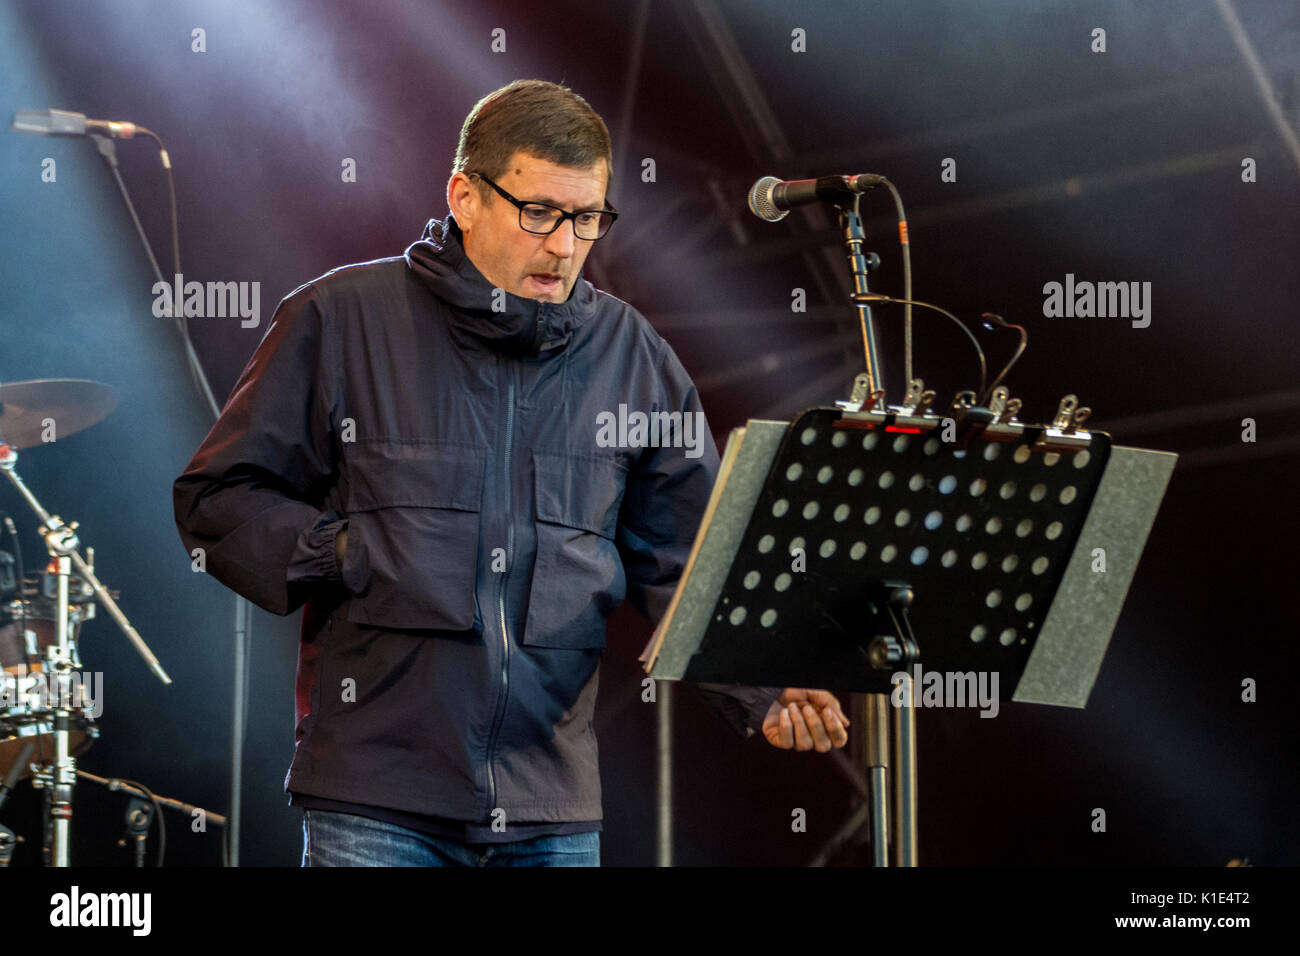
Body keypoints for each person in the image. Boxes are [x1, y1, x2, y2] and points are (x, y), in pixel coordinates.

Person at [173, 79, 849, 867]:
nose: (564, 245)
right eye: (540, 213)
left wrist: (764, 682)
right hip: (378, 803)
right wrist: (347, 551)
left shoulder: (631, 357)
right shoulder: (340, 319)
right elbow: (218, 500)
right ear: (465, 195)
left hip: (551, 813)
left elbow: (691, 555)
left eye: (587, 218)